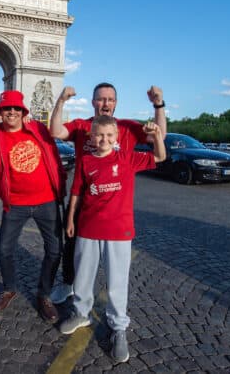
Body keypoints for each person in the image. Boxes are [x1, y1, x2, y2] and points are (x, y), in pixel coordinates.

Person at [59, 116, 165, 363]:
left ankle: (118, 327)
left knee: (117, 282)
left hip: (119, 231)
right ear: (91, 137)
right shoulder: (85, 160)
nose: (104, 140)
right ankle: (80, 312)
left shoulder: (127, 158)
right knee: (82, 276)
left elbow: (160, 157)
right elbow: (76, 192)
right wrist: (71, 219)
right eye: (99, 135)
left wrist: (158, 135)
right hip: (88, 228)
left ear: (116, 137)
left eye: (109, 135)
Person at [50, 83, 167, 304]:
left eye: (110, 99)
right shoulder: (80, 125)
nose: (106, 103)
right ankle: (68, 284)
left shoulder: (127, 127)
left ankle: (106, 301)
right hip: (82, 198)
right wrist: (62, 100)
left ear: (116, 103)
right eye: (101, 99)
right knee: (71, 246)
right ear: (93, 102)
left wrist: (158, 104)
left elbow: (160, 136)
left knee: (110, 262)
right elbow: (55, 132)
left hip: (113, 204)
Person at [0, 91, 66, 322]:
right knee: (4, 249)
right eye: (7, 109)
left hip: (46, 201)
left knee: (55, 250)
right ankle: (9, 288)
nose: (12, 113)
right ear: (0, 112)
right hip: (15, 203)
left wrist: (61, 189)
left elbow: (54, 154)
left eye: (17, 109)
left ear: (23, 111)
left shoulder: (37, 128)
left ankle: (44, 294)